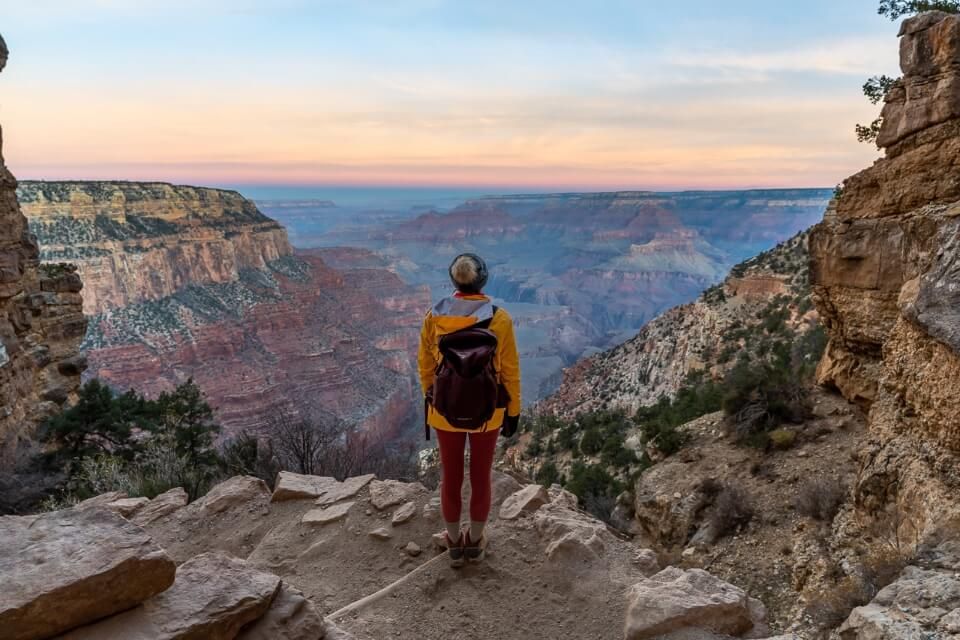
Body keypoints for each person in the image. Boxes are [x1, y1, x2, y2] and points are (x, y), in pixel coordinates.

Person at [418, 253, 521, 567]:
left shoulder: (433, 317)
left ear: (454, 282)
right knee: (480, 477)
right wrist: (513, 410)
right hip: (488, 411)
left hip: (444, 411)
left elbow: (425, 367)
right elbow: (509, 371)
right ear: (483, 280)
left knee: (450, 477)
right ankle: (475, 542)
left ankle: (453, 544)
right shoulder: (499, 318)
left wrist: (435, 397)